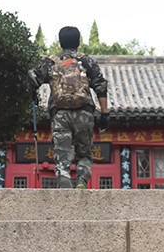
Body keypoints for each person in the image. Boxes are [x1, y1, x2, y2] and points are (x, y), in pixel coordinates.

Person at [28, 26, 110, 189]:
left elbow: (33, 79)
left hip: (60, 113)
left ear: (60, 41)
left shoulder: (51, 62)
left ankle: (64, 179)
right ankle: (81, 179)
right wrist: (105, 114)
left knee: (62, 151)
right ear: (78, 41)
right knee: (84, 152)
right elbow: (100, 85)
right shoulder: (86, 61)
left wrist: (34, 97)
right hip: (84, 112)